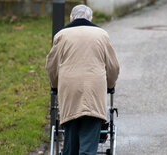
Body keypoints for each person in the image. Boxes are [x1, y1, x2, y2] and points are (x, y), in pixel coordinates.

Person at [45, 4, 120, 155]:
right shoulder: (101, 35)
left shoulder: (61, 35)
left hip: (69, 90)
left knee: (70, 136)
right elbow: (113, 67)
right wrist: (110, 85)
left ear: (71, 18)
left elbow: (51, 66)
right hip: (94, 90)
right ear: (91, 18)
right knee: (89, 134)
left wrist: (54, 86)